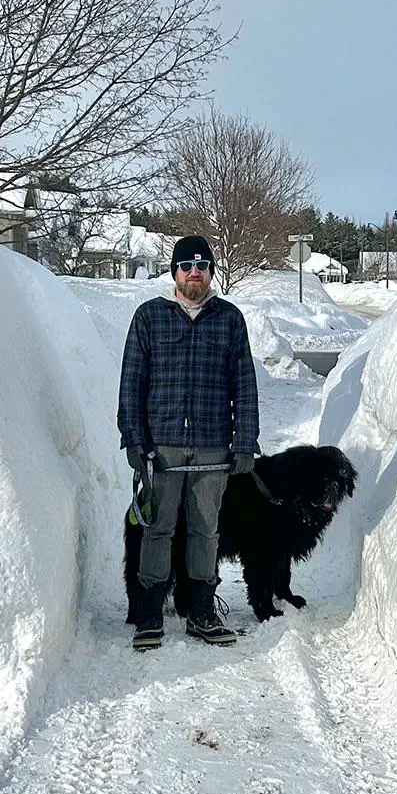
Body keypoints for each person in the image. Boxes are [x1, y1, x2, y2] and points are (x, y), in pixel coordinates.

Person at [117, 235, 258, 650]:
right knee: (156, 530)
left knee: (205, 531)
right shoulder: (150, 317)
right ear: (174, 272)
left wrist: (245, 441)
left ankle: (200, 612)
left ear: (210, 272)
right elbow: (131, 383)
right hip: (163, 447)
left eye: (202, 266)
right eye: (186, 266)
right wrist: (134, 439)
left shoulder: (229, 319)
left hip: (213, 445)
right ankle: (149, 615)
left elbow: (244, 385)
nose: (194, 273)